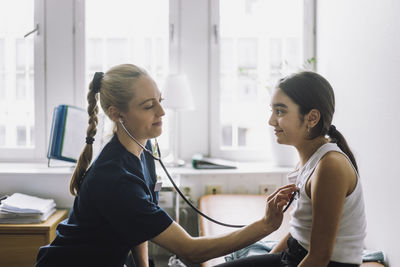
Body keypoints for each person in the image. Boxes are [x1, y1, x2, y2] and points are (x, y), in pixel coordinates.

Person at [34, 64, 297, 267]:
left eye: (160, 101)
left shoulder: (144, 147)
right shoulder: (115, 178)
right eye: (149, 106)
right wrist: (265, 226)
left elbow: (138, 228)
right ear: (117, 114)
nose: (161, 112)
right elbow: (191, 250)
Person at [216, 71, 367, 267]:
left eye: (280, 111)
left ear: (311, 118)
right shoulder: (310, 160)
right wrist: (268, 258)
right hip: (295, 256)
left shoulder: (330, 167)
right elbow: (300, 232)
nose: (271, 121)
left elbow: (319, 257)